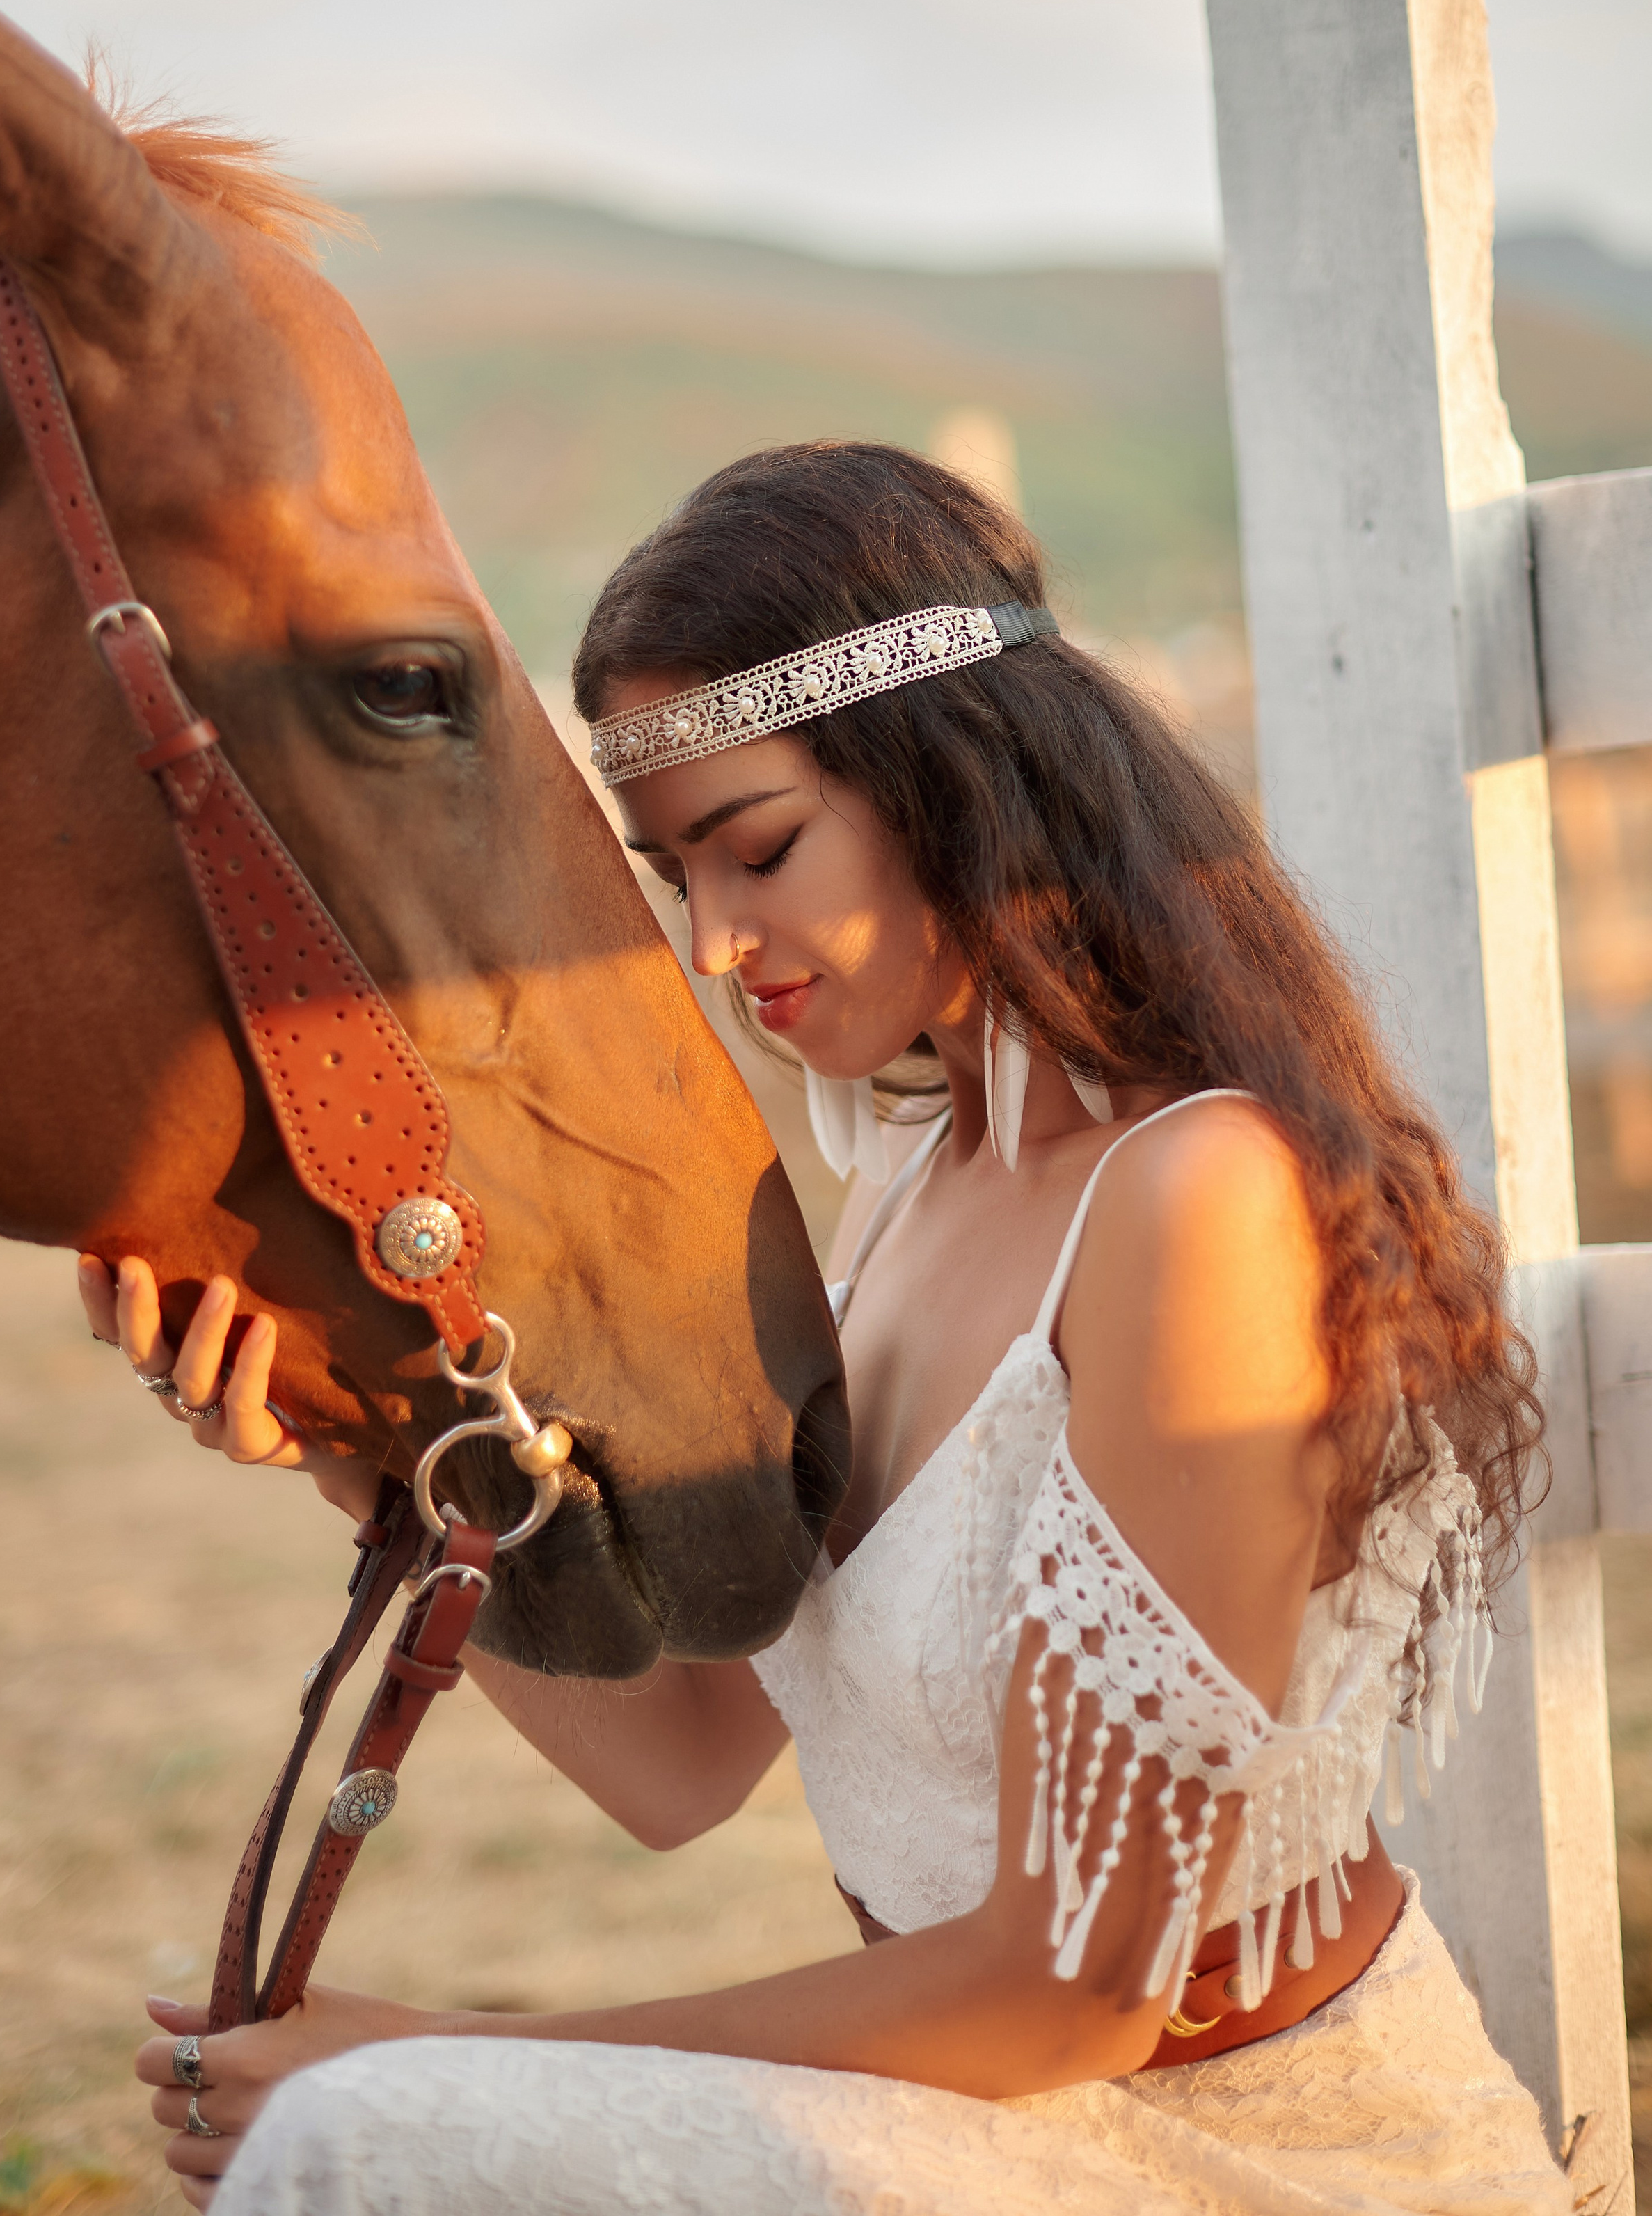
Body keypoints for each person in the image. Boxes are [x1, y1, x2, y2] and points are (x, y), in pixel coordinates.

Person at [95, 443, 1570, 2213]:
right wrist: (348, 1434)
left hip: (1245, 2157)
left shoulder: (1191, 1198)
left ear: (956, 780)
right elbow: (685, 1760)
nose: (717, 945)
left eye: (759, 850)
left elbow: (1072, 1987)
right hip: (980, 2134)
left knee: (364, 2137)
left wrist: (433, 2058)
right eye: (672, 879)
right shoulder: (894, 1195)